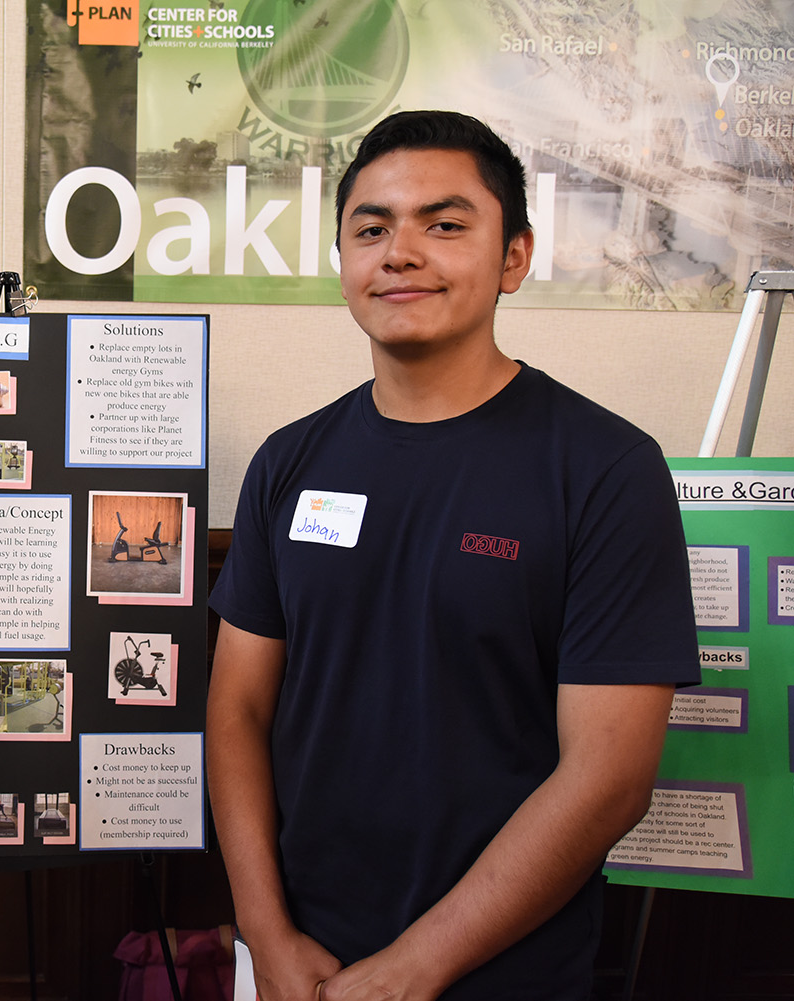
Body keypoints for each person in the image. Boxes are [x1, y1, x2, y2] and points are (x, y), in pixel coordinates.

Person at [206, 111, 700, 1001]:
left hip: (501, 969)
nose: (400, 253)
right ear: (344, 259)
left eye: (444, 224)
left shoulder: (605, 471)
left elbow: (610, 778)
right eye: (372, 228)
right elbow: (237, 709)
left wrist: (413, 969)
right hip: (298, 964)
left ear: (514, 256)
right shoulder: (290, 462)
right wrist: (264, 934)